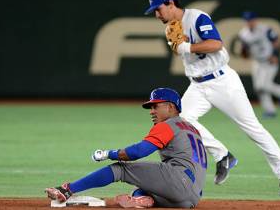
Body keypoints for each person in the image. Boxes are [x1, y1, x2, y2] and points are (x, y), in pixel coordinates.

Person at [144, 0, 280, 196]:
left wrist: (187, 47)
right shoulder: (169, 29)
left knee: (253, 129)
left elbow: (216, 44)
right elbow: (183, 49)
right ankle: (223, 155)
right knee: (181, 120)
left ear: (171, 3)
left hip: (223, 81)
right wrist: (183, 47)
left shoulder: (197, 17)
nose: (157, 15)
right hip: (197, 85)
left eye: (158, 9)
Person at [45, 88, 207, 208]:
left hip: (178, 181)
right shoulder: (193, 129)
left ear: (171, 107)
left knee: (120, 169)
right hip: (191, 199)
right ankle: (141, 200)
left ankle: (67, 190)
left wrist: (110, 153)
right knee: (143, 185)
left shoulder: (167, 125)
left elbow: (138, 152)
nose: (151, 111)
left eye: (155, 106)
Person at [238, 11, 280, 118]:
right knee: (258, 88)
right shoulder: (243, 34)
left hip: (269, 61)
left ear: (255, 20)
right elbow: (245, 51)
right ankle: (270, 111)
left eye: (251, 20)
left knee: (263, 85)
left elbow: (276, 41)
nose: (249, 22)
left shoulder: (265, 29)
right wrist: (244, 51)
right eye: (247, 20)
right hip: (257, 62)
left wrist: (275, 55)